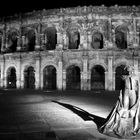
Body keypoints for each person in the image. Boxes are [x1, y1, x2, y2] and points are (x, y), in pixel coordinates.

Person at [99, 66, 140, 138]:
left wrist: (138, 96)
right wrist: (120, 96)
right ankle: (123, 125)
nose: (129, 72)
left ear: (132, 70)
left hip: (133, 93)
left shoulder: (136, 77)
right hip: (125, 92)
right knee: (124, 107)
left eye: (130, 70)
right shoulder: (123, 77)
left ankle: (132, 125)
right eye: (128, 70)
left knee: (133, 108)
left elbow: (138, 87)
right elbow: (121, 87)